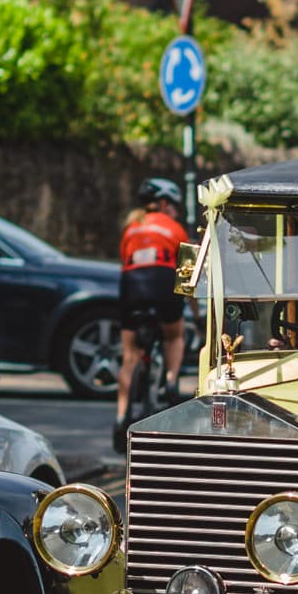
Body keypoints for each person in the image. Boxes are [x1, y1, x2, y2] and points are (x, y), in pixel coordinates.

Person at [115, 176, 189, 450]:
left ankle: (120, 416)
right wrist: (193, 310)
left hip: (132, 282)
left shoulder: (130, 228)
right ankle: (170, 383)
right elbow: (186, 275)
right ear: (164, 204)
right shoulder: (175, 228)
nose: (176, 212)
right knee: (174, 335)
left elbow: (125, 263)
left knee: (130, 353)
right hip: (162, 279)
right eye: (175, 206)